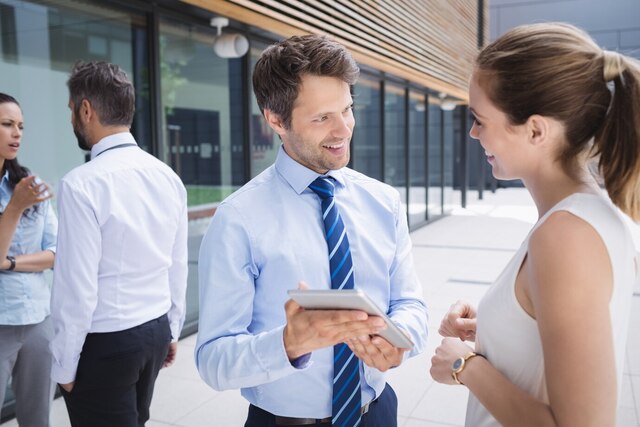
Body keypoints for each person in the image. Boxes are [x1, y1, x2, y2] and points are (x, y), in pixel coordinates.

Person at [195, 34, 428, 427]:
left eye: (347, 109)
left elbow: (411, 305)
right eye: (322, 118)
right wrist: (288, 343)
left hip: (377, 412)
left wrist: (399, 337)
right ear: (275, 119)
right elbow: (213, 360)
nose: (343, 130)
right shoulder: (238, 219)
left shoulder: (384, 201)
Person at [430, 22, 640, 426]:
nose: (473, 133)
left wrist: (465, 367)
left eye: (480, 119)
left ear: (536, 130)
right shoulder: (580, 220)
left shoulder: (566, 236)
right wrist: (494, 325)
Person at [49, 61, 188, 427]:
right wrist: (171, 329)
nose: (71, 121)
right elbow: (177, 264)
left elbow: (76, 288)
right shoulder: (168, 177)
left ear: (86, 110)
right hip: (154, 330)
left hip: (106, 342)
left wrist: (64, 364)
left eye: (71, 111)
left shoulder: (81, 183)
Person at [0, 93, 57, 426]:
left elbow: (56, 252)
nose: (17, 133)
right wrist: (15, 207)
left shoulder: (28, 184)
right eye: (7, 125)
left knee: (37, 419)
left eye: (20, 126)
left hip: (38, 318)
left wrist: (9, 264)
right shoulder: (23, 196)